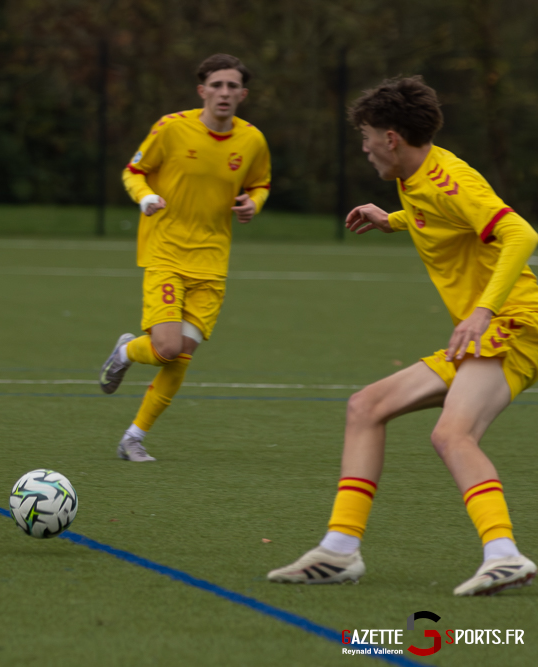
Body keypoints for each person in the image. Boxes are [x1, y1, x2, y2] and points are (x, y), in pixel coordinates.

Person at [268, 76, 537, 596]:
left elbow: (521, 234)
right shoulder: (417, 177)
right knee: (366, 406)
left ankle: (504, 554)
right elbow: (441, 217)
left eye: (367, 136)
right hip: (493, 330)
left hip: (515, 326)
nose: (364, 148)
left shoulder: (447, 178)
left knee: (450, 434)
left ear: (391, 136)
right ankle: (340, 551)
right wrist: (390, 220)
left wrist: (482, 313)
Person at [99, 53, 271, 462]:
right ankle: (125, 352)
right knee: (165, 348)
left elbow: (261, 183)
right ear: (202, 91)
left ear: (243, 94)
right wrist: (145, 198)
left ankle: (133, 438)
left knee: (182, 355)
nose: (224, 93)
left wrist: (254, 205)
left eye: (232, 86)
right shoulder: (171, 128)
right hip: (166, 252)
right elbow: (133, 171)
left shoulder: (252, 140)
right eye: (217, 85)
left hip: (212, 263)